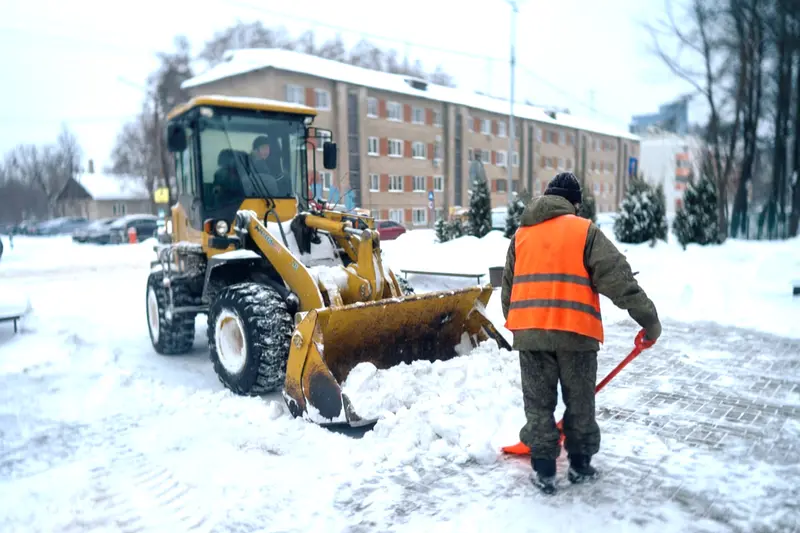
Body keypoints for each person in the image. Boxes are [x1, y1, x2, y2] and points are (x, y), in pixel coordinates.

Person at [500, 172, 661, 495]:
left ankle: (544, 470)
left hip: (531, 335)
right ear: (574, 203)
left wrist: (523, 326)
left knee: (538, 405)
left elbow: (508, 291)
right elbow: (618, 279)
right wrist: (648, 319)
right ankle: (580, 465)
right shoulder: (584, 230)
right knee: (580, 402)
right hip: (577, 334)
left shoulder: (521, 236)